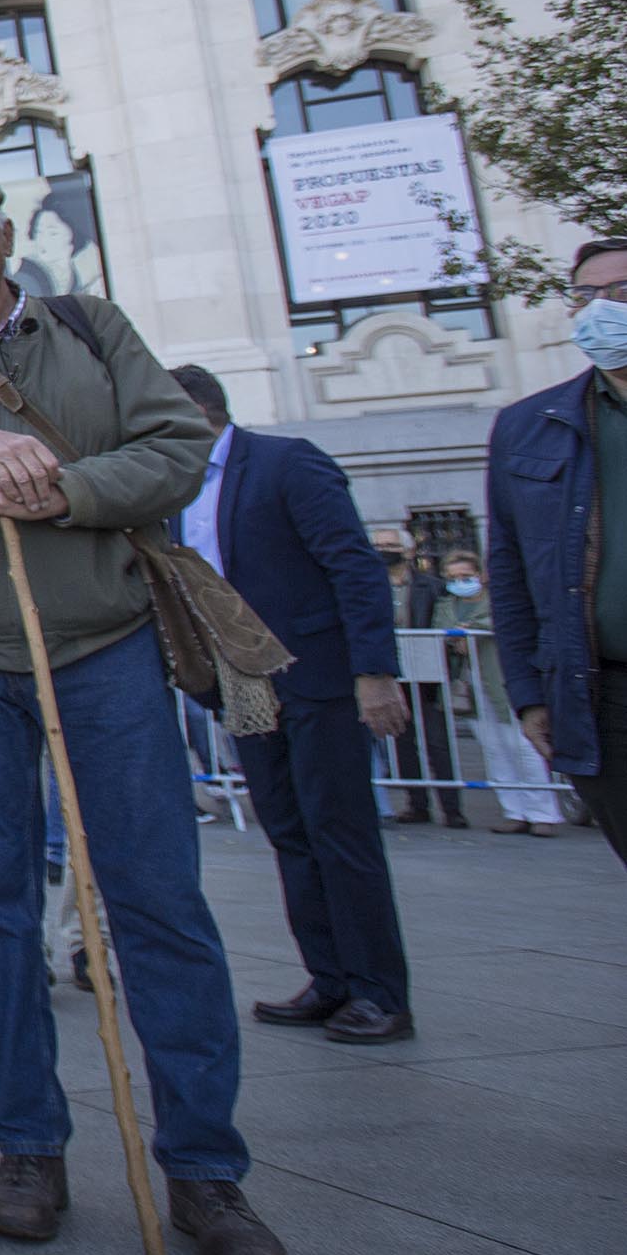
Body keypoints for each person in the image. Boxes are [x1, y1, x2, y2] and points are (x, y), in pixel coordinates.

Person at [0, 173, 290, 1255]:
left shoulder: (92, 331)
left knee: (158, 900)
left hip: (101, 648)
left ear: (3, 236)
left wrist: (66, 491)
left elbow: (174, 449)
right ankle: (27, 1147)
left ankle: (204, 1167)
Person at [171, 366, 413, 1046]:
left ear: (199, 410)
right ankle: (329, 979)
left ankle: (379, 991)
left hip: (317, 676)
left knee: (340, 831)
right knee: (288, 830)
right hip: (243, 687)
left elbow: (354, 566)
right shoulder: (174, 489)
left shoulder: (286, 463)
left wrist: (373, 671)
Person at [484, 236, 627, 866]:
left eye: (621, 291)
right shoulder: (529, 426)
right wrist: (528, 691)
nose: (601, 307)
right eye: (585, 295)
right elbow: (510, 569)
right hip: (604, 695)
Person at [431, 551, 566, 837]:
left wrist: (470, 630)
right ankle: (514, 811)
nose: (459, 582)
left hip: (501, 679)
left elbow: (500, 622)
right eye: (453, 577)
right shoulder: (446, 604)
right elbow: (438, 629)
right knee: (493, 748)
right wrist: (455, 636)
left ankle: (543, 813)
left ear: (480, 575)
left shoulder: (497, 601)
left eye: (465, 576)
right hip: (468, 685)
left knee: (523, 746)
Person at [373, 527, 465, 826]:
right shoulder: (370, 585)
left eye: (390, 545)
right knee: (402, 741)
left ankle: (452, 808)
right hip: (391, 672)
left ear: (408, 550)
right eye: (378, 545)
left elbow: (446, 620)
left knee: (438, 741)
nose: (383, 550)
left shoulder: (432, 586)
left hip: (428, 673)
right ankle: (417, 804)